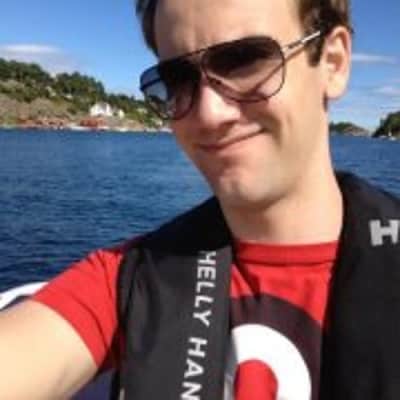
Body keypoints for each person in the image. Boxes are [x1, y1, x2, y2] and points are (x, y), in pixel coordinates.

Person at [0, 0, 399, 399]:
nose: (209, 114)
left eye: (244, 60)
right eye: (178, 79)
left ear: (332, 62)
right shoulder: (130, 285)